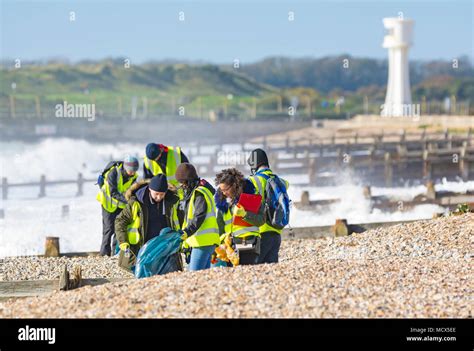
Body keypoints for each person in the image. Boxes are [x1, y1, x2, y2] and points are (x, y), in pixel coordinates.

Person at [114, 174, 182, 273]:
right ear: (150, 189)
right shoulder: (136, 202)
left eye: (162, 194)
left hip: (163, 246)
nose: (159, 197)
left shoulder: (173, 202)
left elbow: (181, 221)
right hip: (140, 247)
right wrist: (123, 241)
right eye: (156, 194)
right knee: (142, 273)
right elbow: (120, 221)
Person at [214, 168, 265, 265]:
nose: (224, 193)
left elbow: (261, 220)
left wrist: (245, 214)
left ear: (234, 185)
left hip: (249, 244)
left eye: (226, 190)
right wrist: (219, 246)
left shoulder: (250, 197)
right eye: (221, 190)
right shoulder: (223, 203)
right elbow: (220, 227)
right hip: (229, 248)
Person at [247, 149, 289, 264]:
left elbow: (247, 208)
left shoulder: (253, 181)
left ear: (254, 164)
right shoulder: (280, 181)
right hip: (276, 233)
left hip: (260, 233)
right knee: (271, 272)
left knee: (256, 270)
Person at [175, 163, 220, 271]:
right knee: (202, 277)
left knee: (193, 275)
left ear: (189, 181)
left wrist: (187, 232)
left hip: (202, 242)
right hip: (205, 241)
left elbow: (199, 216)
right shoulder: (199, 192)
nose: (182, 186)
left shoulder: (199, 194)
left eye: (183, 183)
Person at [96, 155, 139, 256]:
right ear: (126, 168)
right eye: (131, 171)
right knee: (108, 229)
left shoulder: (134, 177)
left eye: (134, 171)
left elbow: (132, 191)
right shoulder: (114, 172)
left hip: (121, 205)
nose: (132, 173)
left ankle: (115, 253)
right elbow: (113, 192)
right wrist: (127, 200)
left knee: (118, 228)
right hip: (108, 204)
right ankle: (104, 254)